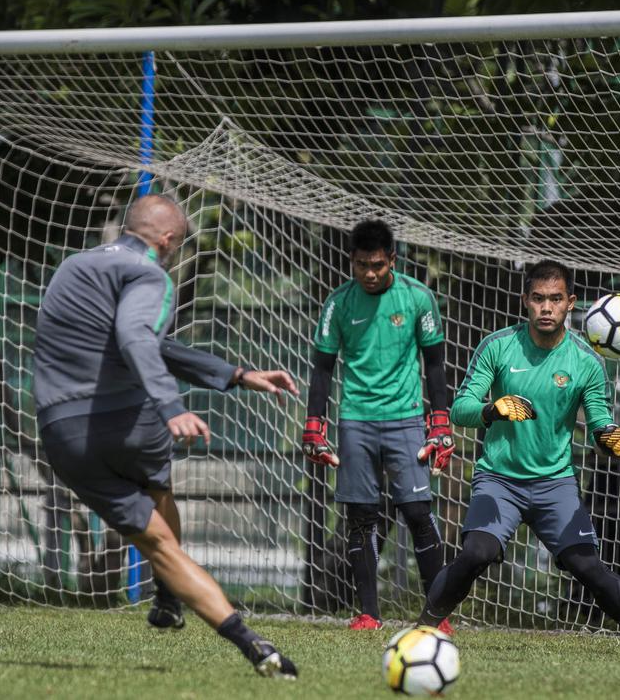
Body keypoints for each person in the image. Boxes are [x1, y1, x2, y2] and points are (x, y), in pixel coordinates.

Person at [33, 194, 299, 679]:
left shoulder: (73, 266)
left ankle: (252, 645)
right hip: (129, 421)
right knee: (160, 503)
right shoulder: (152, 275)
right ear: (168, 239)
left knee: (156, 542)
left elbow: (134, 341)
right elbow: (137, 337)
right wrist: (171, 406)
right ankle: (173, 595)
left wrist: (235, 373)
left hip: (62, 433)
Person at [413, 259, 620, 658]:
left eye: (554, 299)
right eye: (538, 299)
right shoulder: (498, 346)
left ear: (571, 302)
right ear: (525, 301)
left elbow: (600, 422)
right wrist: (492, 409)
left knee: (587, 566)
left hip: (555, 485)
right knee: (475, 555)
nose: (546, 308)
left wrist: (610, 439)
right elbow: (460, 407)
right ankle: (422, 630)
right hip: (499, 481)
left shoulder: (587, 361)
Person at [302, 219, 453, 632]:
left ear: (393, 260)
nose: (370, 273)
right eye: (362, 265)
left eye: (378, 265)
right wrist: (314, 425)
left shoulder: (418, 298)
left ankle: (437, 617)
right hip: (356, 420)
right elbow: (321, 369)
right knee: (361, 516)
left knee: (418, 512)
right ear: (352, 261)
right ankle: (368, 613)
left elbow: (435, 362)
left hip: (405, 419)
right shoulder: (338, 303)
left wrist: (440, 420)